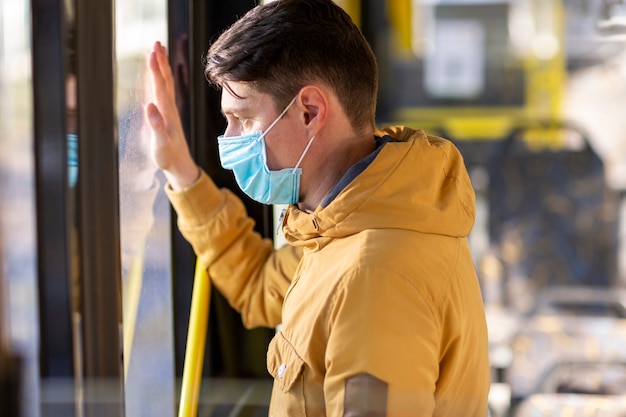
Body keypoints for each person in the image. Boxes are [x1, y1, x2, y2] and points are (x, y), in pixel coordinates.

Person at [145, 0, 491, 415]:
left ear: (310, 111)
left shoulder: (372, 277)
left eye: (243, 119)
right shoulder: (344, 228)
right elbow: (260, 284)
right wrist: (180, 170)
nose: (228, 144)